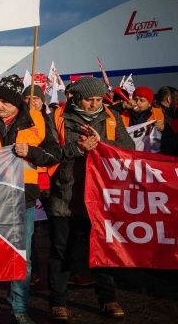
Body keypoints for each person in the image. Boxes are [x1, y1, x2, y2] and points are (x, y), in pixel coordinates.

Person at [0, 74, 61, 324]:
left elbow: (54, 154)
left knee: (21, 257)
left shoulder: (37, 119)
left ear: (17, 102)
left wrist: (32, 152)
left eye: (5, 101)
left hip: (22, 200)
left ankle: (20, 309)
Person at [47, 76, 135, 321]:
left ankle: (108, 298)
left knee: (104, 248)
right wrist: (78, 147)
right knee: (62, 251)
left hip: (101, 197)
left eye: (98, 100)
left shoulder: (110, 116)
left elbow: (127, 148)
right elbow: (48, 152)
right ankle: (58, 302)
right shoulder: (56, 118)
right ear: (76, 97)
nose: (94, 104)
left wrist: (101, 142)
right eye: (89, 100)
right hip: (66, 194)